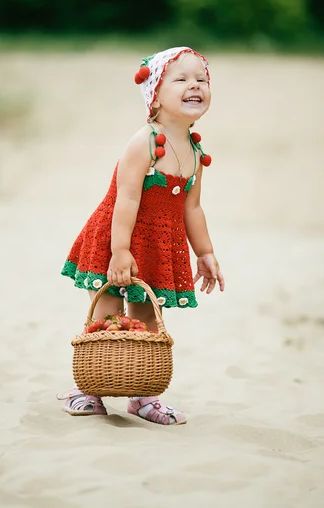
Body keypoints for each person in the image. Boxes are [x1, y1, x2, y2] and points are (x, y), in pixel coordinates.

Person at [57, 46, 225, 425]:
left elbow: (192, 208)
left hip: (156, 246)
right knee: (107, 313)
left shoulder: (196, 152)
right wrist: (119, 251)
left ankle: (143, 397)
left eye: (201, 79)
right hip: (116, 239)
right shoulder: (145, 142)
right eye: (180, 79)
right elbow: (126, 199)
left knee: (148, 317)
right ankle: (87, 389)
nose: (194, 85)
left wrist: (206, 253)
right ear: (154, 95)